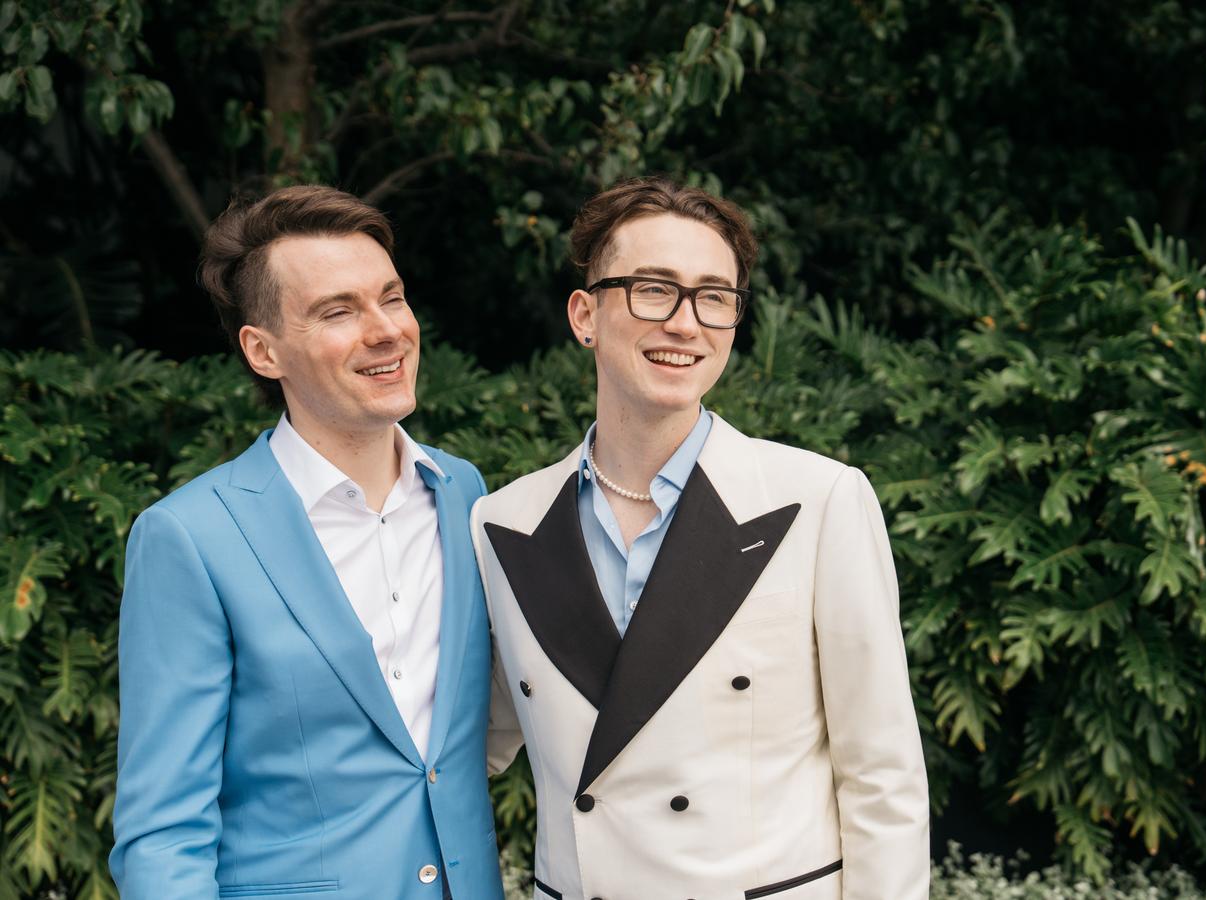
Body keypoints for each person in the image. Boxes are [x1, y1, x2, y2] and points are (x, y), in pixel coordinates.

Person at [472, 177, 929, 899]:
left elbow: (882, 776)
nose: (686, 323)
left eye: (714, 297)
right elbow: (464, 750)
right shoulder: (502, 523)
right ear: (585, 314)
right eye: (654, 290)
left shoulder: (819, 501)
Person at [111, 186, 508, 900]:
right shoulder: (190, 538)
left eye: (392, 298)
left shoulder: (464, 493)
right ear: (263, 351)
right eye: (338, 311)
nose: (385, 330)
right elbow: (164, 833)